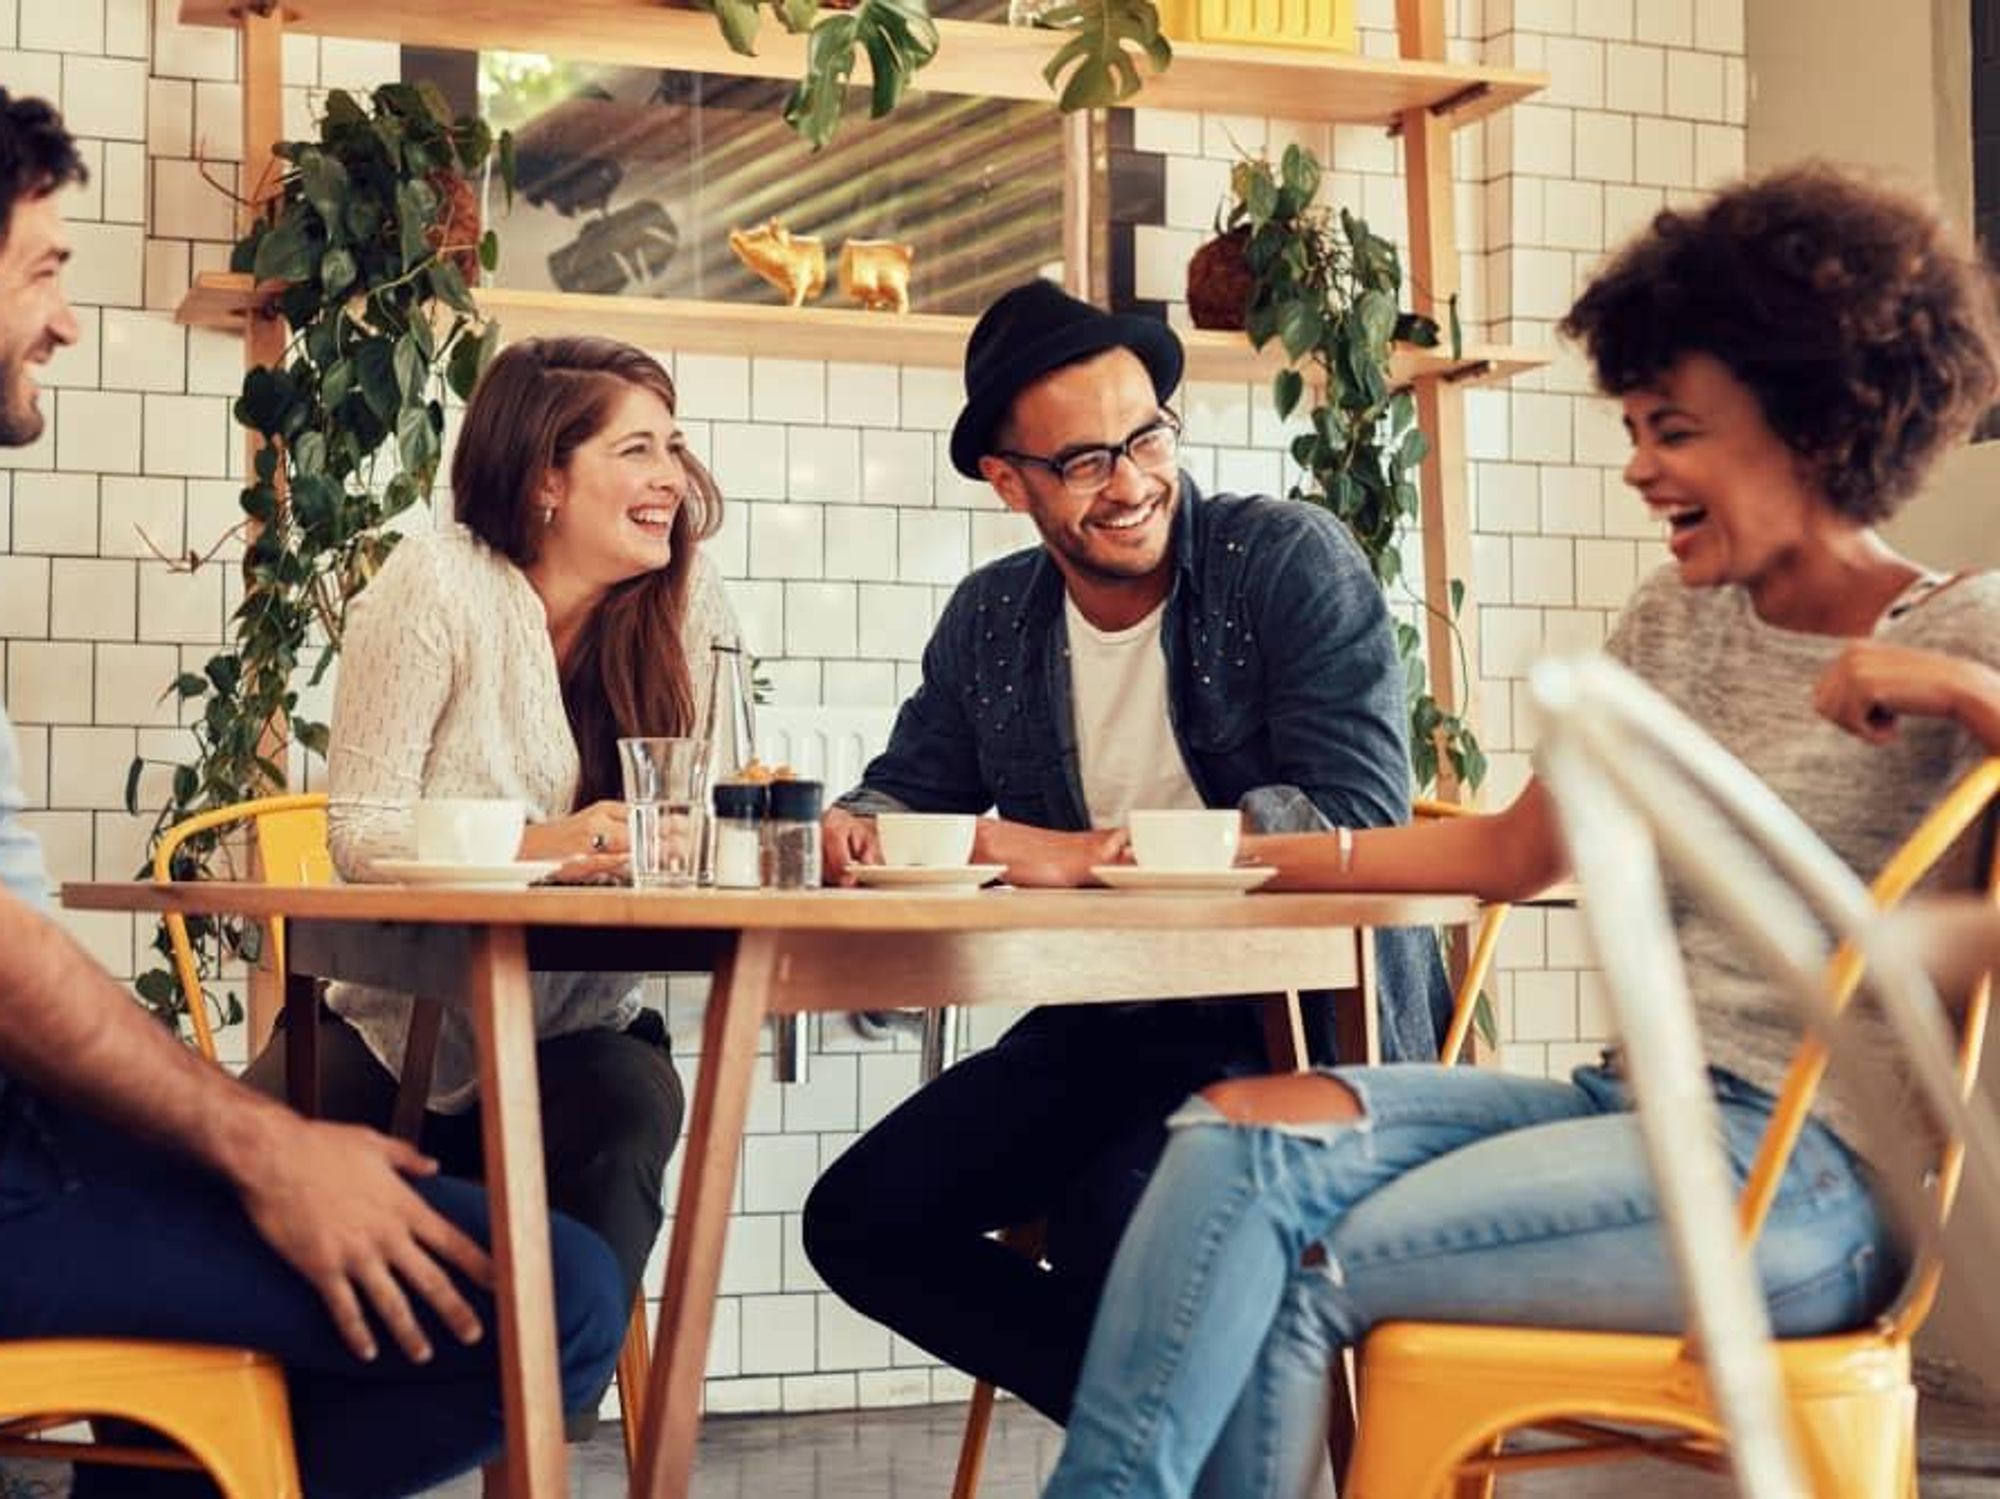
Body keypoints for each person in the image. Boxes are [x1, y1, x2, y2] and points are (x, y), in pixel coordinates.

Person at [1042, 165, 2000, 1499]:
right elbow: (1505, 853)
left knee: (1294, 1247)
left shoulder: (1966, 624)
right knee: (1231, 1139)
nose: (1639, 465)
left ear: (1810, 425)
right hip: (1628, 1108)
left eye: (1675, 430)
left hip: (1807, 1182)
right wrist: (1186, 850)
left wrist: (1967, 693)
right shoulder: (1674, 624)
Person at [0, 89, 625, 1499]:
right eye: (43, 265)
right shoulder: (441, 582)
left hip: (29, 1120)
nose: (67, 321)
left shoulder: (668, 620)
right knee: (554, 1291)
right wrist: (262, 1144)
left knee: (573, 1171)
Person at [801, 277, 1450, 1424]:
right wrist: (855, 822)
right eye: (1084, 460)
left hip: (1296, 1026)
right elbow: (910, 786)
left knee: (1119, 1215)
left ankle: (1187, 1435)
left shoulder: (1283, 561)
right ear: (1009, 481)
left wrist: (1089, 854)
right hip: (1102, 1022)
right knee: (860, 1217)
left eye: (1145, 436)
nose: (1133, 482)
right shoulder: (990, 620)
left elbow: (1360, 821)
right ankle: (1190, 1427)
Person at [244, 334, 736, 1325]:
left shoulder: (689, 602)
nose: (670, 478)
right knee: (228, 1161)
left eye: (674, 448)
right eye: (637, 449)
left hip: (578, 1028)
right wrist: (561, 842)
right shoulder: (435, 584)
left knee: (628, 1106)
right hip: (395, 1026)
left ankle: (544, 1423)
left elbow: (702, 828)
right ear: (547, 474)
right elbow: (363, 834)